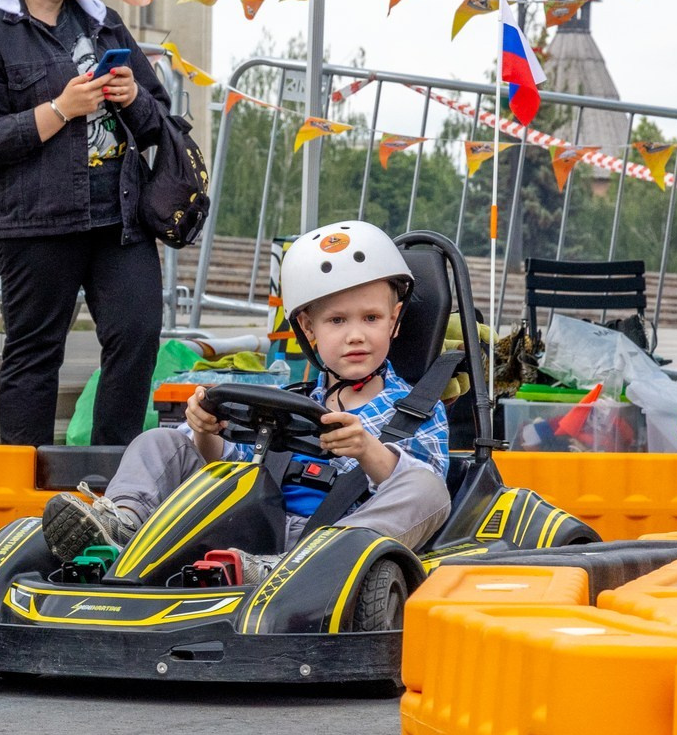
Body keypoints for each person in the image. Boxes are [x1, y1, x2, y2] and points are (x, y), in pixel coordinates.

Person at [43, 222, 452, 578]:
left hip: (338, 545)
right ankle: (123, 525)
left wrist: (367, 451)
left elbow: (427, 496)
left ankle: (296, 568)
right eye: (337, 321)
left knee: (427, 489)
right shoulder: (283, 403)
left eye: (371, 319)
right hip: (250, 529)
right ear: (309, 329)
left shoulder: (415, 410)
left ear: (395, 320)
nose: (356, 335)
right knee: (160, 441)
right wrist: (206, 431)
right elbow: (227, 464)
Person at [0, 0, 178, 448]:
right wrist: (59, 110)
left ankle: (113, 477)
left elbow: (160, 120)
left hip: (118, 217)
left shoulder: (102, 21)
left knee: (138, 335)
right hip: (33, 221)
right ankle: (23, 489)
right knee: (35, 352)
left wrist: (133, 100)